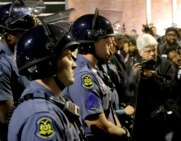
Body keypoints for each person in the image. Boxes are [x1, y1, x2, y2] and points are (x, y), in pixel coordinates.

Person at [8, 23, 84, 140]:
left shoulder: (53, 101)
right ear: (49, 63)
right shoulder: (42, 115)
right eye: (68, 57)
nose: (74, 65)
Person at [63, 12, 130, 141]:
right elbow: (97, 125)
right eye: (107, 40)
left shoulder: (95, 70)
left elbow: (107, 110)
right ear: (92, 42)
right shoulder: (84, 76)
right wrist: (125, 133)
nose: (113, 45)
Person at [0, 1, 36, 140]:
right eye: (24, 34)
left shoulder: (15, 56)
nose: (28, 39)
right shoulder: (2, 63)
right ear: (9, 35)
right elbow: (5, 116)